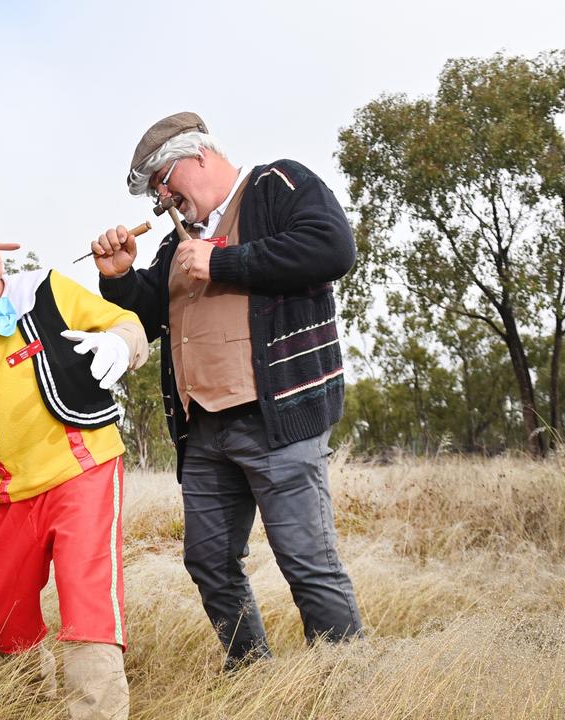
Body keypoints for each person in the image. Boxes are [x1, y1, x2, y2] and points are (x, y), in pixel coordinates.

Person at [89, 112, 364, 668]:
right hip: (205, 432)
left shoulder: (276, 185)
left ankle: (347, 687)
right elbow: (148, 317)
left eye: (163, 180)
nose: (162, 197)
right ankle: (253, 676)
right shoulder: (174, 246)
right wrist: (119, 276)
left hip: (277, 419)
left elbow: (333, 248)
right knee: (210, 563)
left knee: (306, 560)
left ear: (198, 157)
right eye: (154, 191)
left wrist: (224, 260)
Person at [0, 192, 148, 720]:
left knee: (86, 596)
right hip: (2, 491)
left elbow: (127, 324)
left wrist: (119, 345)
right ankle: (29, 700)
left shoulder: (44, 288)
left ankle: (96, 712)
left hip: (81, 467)